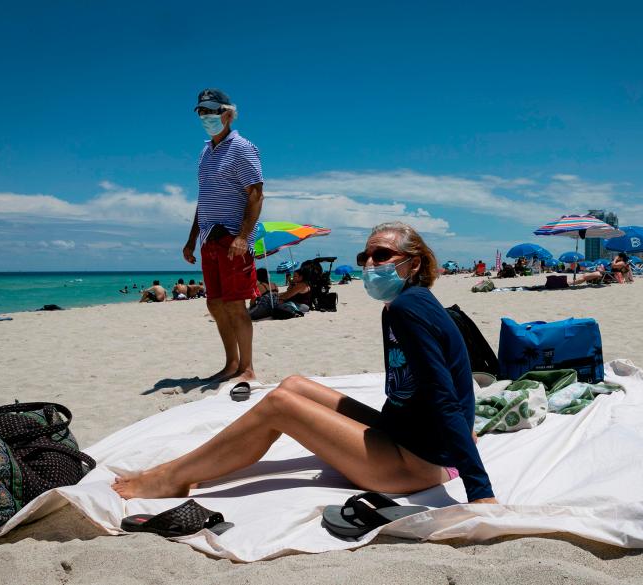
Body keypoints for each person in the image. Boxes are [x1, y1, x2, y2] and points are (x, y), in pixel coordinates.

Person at [113, 222, 497, 505]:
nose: (369, 264)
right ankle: (181, 469)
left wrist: (479, 490)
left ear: (413, 264)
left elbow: (442, 393)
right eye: (366, 256)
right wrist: (464, 426)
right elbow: (432, 387)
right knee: (294, 385)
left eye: (383, 255)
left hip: (418, 463)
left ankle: (172, 477)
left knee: (280, 406)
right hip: (406, 436)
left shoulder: (408, 310)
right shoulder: (399, 305)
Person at [182, 88, 264, 383]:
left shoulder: (242, 148)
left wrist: (244, 237)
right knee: (214, 303)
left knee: (234, 304)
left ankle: (248, 368)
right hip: (208, 239)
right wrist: (192, 239)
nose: (206, 117)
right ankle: (231, 364)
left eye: (211, 111)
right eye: (201, 112)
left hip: (232, 239)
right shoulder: (205, 152)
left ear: (228, 114)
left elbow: (256, 194)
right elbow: (203, 199)